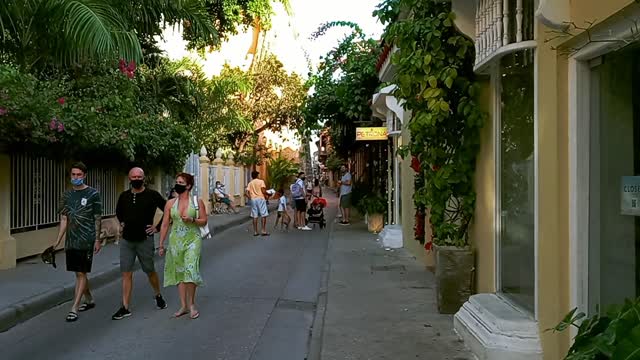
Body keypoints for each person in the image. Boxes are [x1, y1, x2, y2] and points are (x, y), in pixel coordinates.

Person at [111, 167, 168, 321]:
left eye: (139, 176)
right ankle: (125, 307)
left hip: (145, 240)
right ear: (129, 178)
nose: (136, 179)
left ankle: (158, 295)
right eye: (133, 177)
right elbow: (119, 212)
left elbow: (168, 210)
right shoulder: (124, 196)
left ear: (144, 178)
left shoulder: (152, 195)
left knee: (149, 270)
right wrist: (122, 222)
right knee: (126, 273)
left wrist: (157, 227)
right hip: (127, 241)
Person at [52, 162, 102, 322]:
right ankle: (89, 299)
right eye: (73, 175)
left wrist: (97, 239)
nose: (76, 177)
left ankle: (74, 307)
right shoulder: (66, 195)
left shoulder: (93, 194)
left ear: (84, 175)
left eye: (79, 175)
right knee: (78, 272)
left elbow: (97, 218)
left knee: (81, 273)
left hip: (86, 240)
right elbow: (64, 219)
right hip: (71, 240)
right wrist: (57, 241)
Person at [159, 173, 206, 319]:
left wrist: (192, 220)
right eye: (176, 181)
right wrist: (161, 244)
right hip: (176, 241)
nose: (177, 184)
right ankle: (183, 305)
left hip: (193, 240)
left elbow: (204, 221)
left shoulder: (197, 201)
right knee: (179, 273)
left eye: (181, 182)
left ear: (188, 186)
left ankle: (191, 304)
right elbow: (165, 224)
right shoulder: (170, 203)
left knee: (190, 270)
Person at [245, 171, 270, 236]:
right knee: (263, 214)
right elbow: (263, 191)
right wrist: (268, 193)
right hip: (261, 198)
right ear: (257, 175)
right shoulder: (261, 181)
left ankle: (255, 232)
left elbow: (246, 193)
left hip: (253, 199)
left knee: (254, 215)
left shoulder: (250, 183)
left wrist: (250, 198)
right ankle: (263, 230)